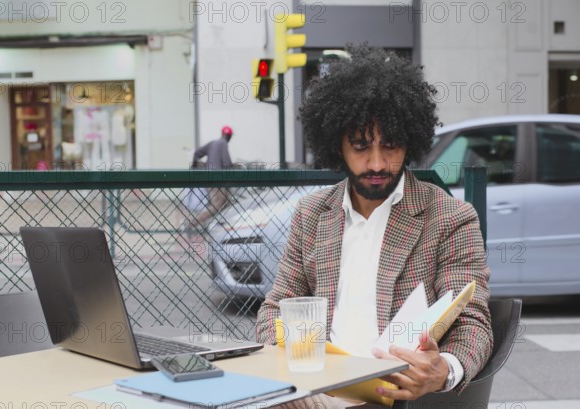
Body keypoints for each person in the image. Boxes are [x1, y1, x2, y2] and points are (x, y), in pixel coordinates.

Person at [255, 44, 493, 406]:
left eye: (391, 146)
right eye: (361, 146)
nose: (378, 163)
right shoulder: (311, 214)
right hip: (316, 386)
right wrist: (286, 353)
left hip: (390, 395)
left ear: (410, 142)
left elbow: (473, 322)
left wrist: (444, 368)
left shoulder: (449, 218)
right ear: (337, 146)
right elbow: (277, 307)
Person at [185, 125, 234, 233]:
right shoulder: (223, 143)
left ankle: (223, 226)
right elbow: (227, 163)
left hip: (210, 178)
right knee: (217, 205)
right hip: (217, 180)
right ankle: (192, 223)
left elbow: (196, 153)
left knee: (227, 203)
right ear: (229, 137)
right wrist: (233, 168)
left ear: (222, 134)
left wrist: (194, 167)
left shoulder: (213, 143)